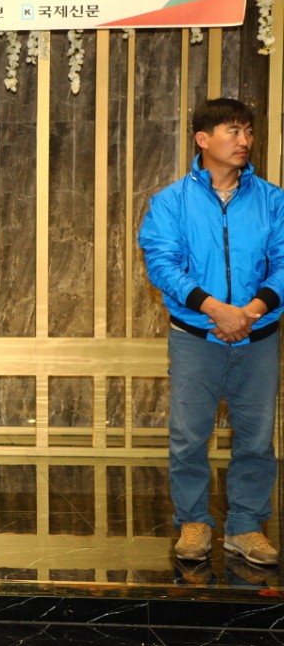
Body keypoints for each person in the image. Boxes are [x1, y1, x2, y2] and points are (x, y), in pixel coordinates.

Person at [139, 98, 284, 567]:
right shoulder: (171, 202)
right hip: (195, 337)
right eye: (233, 131)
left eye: (248, 131)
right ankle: (194, 522)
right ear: (203, 139)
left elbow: (283, 263)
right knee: (188, 436)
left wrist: (250, 311)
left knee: (257, 438)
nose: (245, 140)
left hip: (258, 336)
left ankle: (245, 526)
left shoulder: (273, 200)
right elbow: (163, 265)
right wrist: (215, 309)